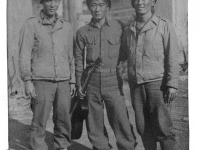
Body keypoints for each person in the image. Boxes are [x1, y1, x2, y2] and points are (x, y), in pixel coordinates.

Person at [74, 0, 137, 150]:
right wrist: (78, 83)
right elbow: (77, 60)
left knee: (121, 119)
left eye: (101, 5)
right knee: (94, 122)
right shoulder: (82, 32)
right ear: (89, 7)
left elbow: (126, 52)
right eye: (93, 5)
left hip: (113, 81)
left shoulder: (119, 27)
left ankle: (127, 147)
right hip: (91, 82)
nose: (97, 9)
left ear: (108, 7)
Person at [119, 0, 179, 150]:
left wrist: (172, 84)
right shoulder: (128, 30)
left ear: (153, 2)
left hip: (157, 85)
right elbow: (122, 57)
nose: (141, 2)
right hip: (136, 87)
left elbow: (172, 55)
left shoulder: (164, 25)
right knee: (143, 128)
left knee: (164, 128)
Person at [19, 0, 75, 149]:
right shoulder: (31, 24)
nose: (52, 4)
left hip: (63, 81)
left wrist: (73, 81)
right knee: (39, 120)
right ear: (42, 3)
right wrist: (27, 80)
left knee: (64, 118)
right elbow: (24, 54)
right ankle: (38, 147)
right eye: (49, 0)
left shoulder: (66, 26)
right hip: (41, 80)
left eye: (56, 1)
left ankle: (61, 146)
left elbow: (71, 55)